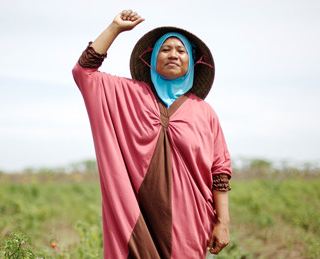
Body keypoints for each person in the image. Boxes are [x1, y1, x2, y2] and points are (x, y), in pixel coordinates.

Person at [72, 9, 232, 258]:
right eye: (165, 49)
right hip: (136, 218)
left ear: (191, 61)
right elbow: (84, 73)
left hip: (190, 221)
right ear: (152, 59)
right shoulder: (129, 95)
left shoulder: (205, 112)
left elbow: (220, 171)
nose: (173, 55)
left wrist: (223, 223)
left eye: (181, 51)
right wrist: (115, 28)